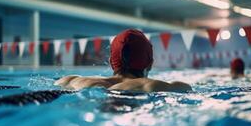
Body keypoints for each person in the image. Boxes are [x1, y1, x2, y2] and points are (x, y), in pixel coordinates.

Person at [54, 29, 191, 93]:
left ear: (111, 61)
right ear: (149, 63)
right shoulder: (153, 86)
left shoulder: (71, 80)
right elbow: (186, 88)